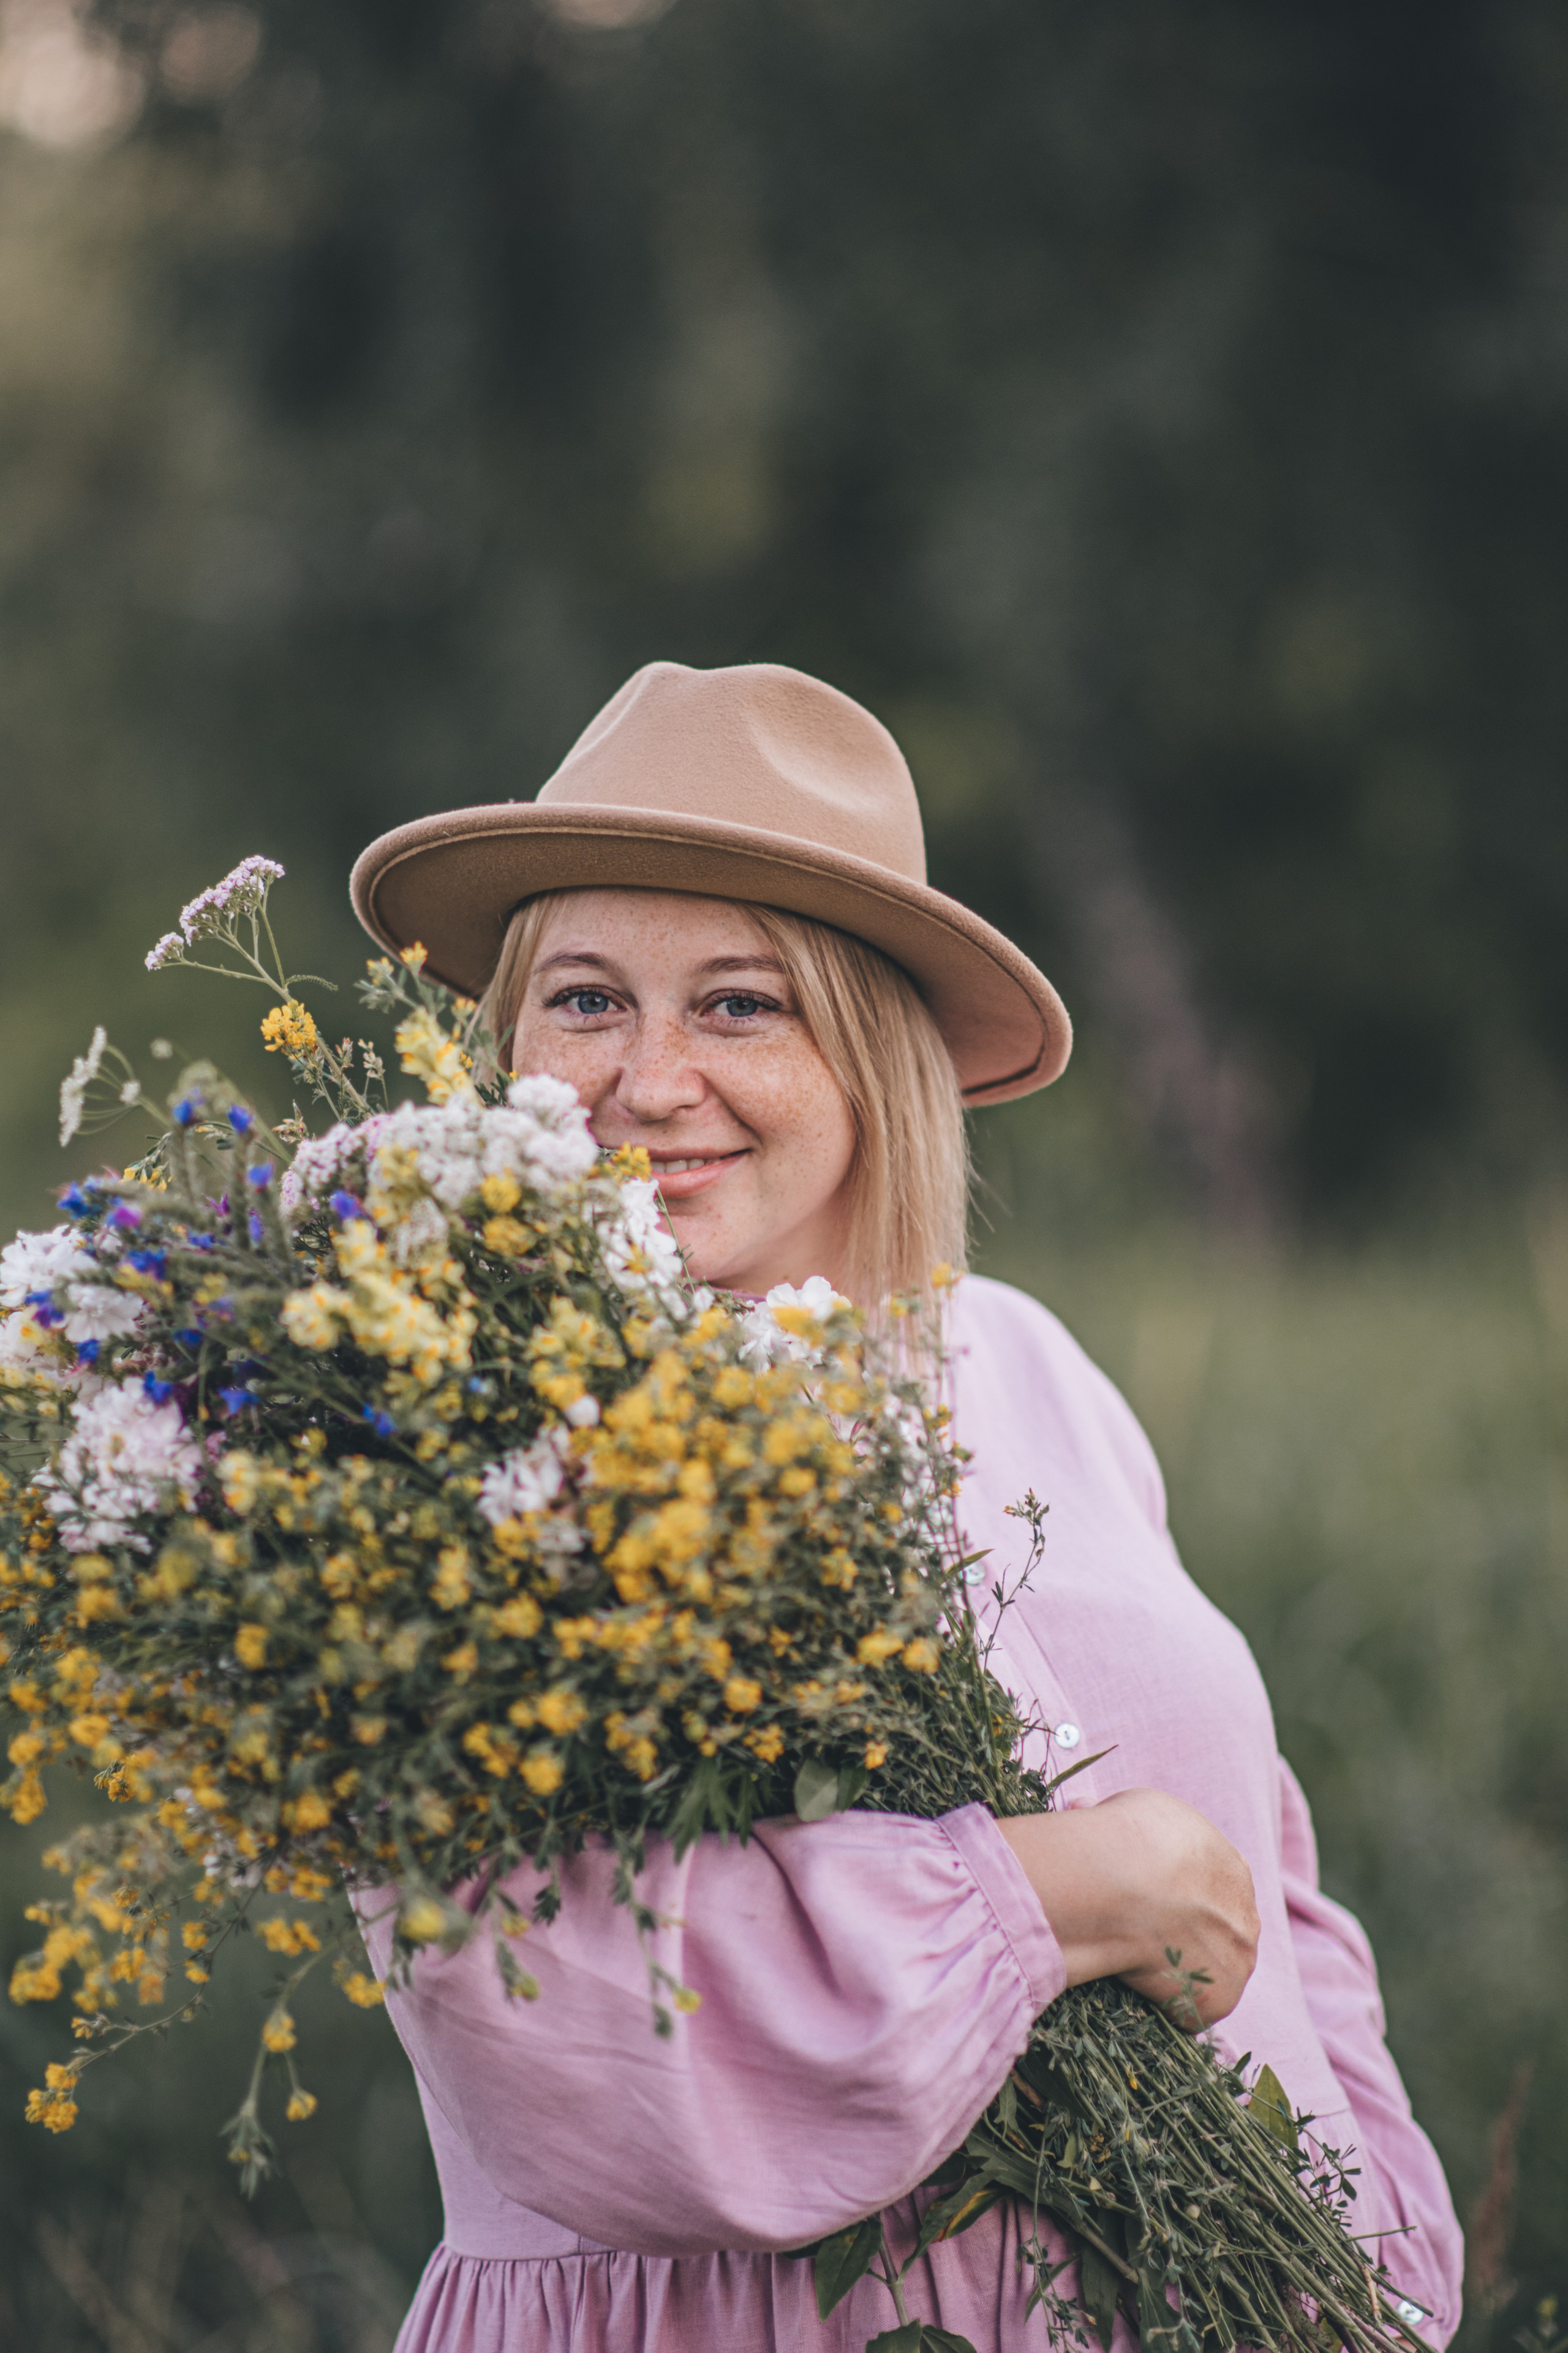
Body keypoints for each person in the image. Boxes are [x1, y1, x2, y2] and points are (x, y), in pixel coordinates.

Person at [348, 660, 1463, 2353]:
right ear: (509, 1040)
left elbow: (1272, 1885)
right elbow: (553, 2022)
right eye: (584, 999)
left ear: (875, 1053)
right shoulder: (459, 1442)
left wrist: (1367, 2267)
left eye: (739, 1006)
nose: (648, 1078)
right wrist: (1061, 1894)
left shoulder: (1030, 1365)